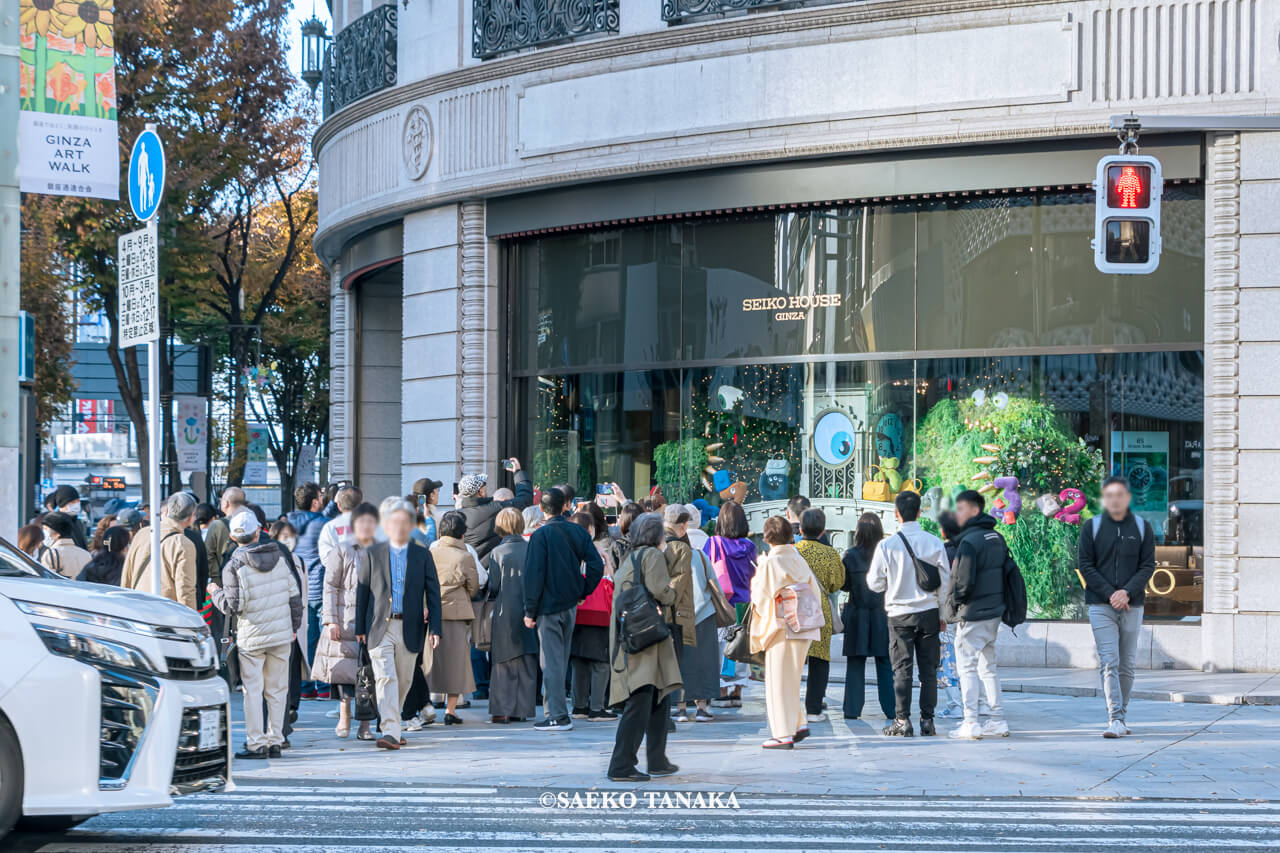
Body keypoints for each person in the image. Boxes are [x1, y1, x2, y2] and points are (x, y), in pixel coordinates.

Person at [210, 511, 302, 759]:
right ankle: (276, 739)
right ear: (259, 530)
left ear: (232, 537)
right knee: (277, 689)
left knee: (253, 691)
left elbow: (233, 606)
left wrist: (214, 592)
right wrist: (294, 627)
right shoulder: (280, 558)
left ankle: (256, 743)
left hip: (252, 636)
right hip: (281, 634)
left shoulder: (234, 565)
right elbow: (295, 597)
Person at [355, 500, 443, 750]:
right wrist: (359, 628)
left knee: (403, 680)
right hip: (379, 627)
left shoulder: (422, 554)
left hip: (410, 627)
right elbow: (362, 594)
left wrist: (436, 628)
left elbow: (433, 592)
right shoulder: (372, 553)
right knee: (385, 678)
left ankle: (391, 720)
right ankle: (391, 731)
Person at [1078, 475, 1156, 739]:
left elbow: (1147, 566)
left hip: (1132, 606)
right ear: (1104, 499)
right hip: (1101, 605)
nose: (1114, 499)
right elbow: (1086, 565)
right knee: (1109, 662)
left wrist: (1127, 592)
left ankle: (1122, 713)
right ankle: (1116, 718)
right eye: (1109, 495)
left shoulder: (1142, 528)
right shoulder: (1092, 527)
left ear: (1128, 498)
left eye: (1119, 495)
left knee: (1128, 665)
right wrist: (1112, 593)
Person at [606, 512, 681, 781]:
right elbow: (662, 591)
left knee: (658, 696)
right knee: (641, 699)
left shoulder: (630, 558)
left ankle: (657, 759)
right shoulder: (652, 556)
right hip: (646, 640)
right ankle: (621, 764)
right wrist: (675, 591)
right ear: (655, 534)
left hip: (634, 637)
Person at [868, 491, 950, 737]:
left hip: (899, 615)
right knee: (928, 670)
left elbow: (874, 583)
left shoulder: (887, 545)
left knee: (902, 668)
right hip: (928, 612)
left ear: (896, 513)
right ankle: (928, 720)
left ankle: (902, 721)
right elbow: (945, 582)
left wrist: (891, 584)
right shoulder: (934, 542)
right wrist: (943, 614)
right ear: (919, 512)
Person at [522, 487, 604, 732]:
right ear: (565, 507)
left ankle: (557, 715)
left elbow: (533, 575)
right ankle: (556, 712)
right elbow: (596, 565)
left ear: (541, 509)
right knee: (560, 659)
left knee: (552, 663)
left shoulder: (541, 536)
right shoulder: (576, 531)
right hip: (570, 604)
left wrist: (529, 610)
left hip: (548, 607)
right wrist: (582, 591)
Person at [750, 516, 823, 749]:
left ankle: (782, 734)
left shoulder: (771, 563)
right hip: (803, 624)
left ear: (767, 537)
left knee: (778, 681)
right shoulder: (798, 559)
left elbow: (761, 598)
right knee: (791, 678)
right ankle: (798, 723)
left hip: (781, 625)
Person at [945, 489, 1011, 740]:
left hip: (973, 614)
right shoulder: (996, 536)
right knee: (988, 668)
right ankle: (998, 719)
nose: (956, 514)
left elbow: (962, 582)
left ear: (974, 510)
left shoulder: (969, 542)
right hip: (994, 611)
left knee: (967, 668)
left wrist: (955, 606)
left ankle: (971, 721)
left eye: (960, 509)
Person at [312, 502, 378, 740]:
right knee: (344, 675)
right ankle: (344, 716)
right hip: (345, 619)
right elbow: (330, 586)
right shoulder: (342, 550)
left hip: (371, 620)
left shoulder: (381, 550)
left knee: (367, 675)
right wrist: (330, 620)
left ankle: (365, 725)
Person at [486, 508, 539, 723]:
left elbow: (493, 585)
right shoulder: (531, 549)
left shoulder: (497, 553)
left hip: (504, 610)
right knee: (527, 659)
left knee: (503, 661)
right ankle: (522, 709)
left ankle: (502, 709)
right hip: (529, 609)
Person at [841, 512, 894, 721]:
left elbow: (844, 585)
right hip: (882, 613)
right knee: (885, 662)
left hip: (857, 614)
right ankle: (892, 708)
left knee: (855, 662)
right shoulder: (887, 553)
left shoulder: (850, 555)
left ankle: (852, 709)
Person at [429, 510, 481, 723]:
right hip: (457, 614)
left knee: (430, 661)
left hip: (431, 612)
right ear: (462, 534)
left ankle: (427, 706)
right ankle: (451, 710)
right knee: (456, 663)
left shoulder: (430, 552)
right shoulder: (465, 556)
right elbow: (474, 587)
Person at [675, 504, 725, 722]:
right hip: (704, 613)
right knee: (704, 662)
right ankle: (702, 708)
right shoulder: (700, 556)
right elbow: (715, 585)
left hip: (678, 615)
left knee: (680, 661)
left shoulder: (668, 556)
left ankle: (680, 707)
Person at [703, 499, 756, 706]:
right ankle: (737, 692)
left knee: (722, 647)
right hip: (745, 603)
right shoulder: (750, 546)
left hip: (722, 602)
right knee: (740, 646)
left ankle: (722, 690)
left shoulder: (713, 543)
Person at [795, 508, 845, 721]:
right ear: (823, 530)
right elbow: (837, 583)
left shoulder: (793, 551)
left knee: (794, 659)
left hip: (794, 608)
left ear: (800, 528)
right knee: (819, 660)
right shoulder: (830, 553)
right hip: (819, 609)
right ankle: (814, 708)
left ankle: (789, 707)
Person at [569, 511, 614, 722]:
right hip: (598, 614)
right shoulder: (596, 550)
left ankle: (579, 706)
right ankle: (597, 707)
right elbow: (610, 580)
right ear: (590, 529)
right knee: (600, 663)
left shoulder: (568, 550)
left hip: (576, 612)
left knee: (579, 660)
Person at [287, 482, 330, 702]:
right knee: (321, 640)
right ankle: (323, 685)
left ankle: (305, 685)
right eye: (321, 496)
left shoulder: (287, 522)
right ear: (314, 502)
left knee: (302, 639)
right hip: (318, 587)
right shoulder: (323, 524)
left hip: (294, 589)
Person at [122, 492, 200, 610]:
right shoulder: (184, 544)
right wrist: (190, 621)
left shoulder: (142, 533)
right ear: (191, 517)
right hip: (165, 612)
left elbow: (127, 573)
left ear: (167, 511)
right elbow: (185, 589)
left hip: (136, 607)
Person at [456, 459, 533, 560]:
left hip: (468, 571)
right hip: (490, 569)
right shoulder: (494, 508)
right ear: (481, 492)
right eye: (484, 487)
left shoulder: (455, 516)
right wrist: (518, 473)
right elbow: (525, 500)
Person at [935, 511, 965, 720]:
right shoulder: (968, 551)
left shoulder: (943, 553)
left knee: (947, 658)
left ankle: (955, 704)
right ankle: (976, 703)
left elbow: (941, 588)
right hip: (970, 613)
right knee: (970, 659)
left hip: (949, 614)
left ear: (943, 531)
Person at [204, 487, 247, 574]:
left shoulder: (217, 525)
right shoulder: (251, 523)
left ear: (226, 503)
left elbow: (209, 555)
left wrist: (216, 578)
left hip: (224, 577)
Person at [39, 512, 92, 579]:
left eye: (46, 529)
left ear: (58, 533)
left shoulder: (51, 554)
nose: (43, 532)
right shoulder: (86, 554)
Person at [49, 485, 89, 550]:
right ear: (62, 504)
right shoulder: (55, 523)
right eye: (72, 502)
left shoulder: (77, 521)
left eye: (78, 501)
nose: (76, 504)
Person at [410, 477, 444, 547]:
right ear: (432, 496)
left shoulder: (408, 518)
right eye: (437, 490)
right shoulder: (443, 517)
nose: (438, 493)